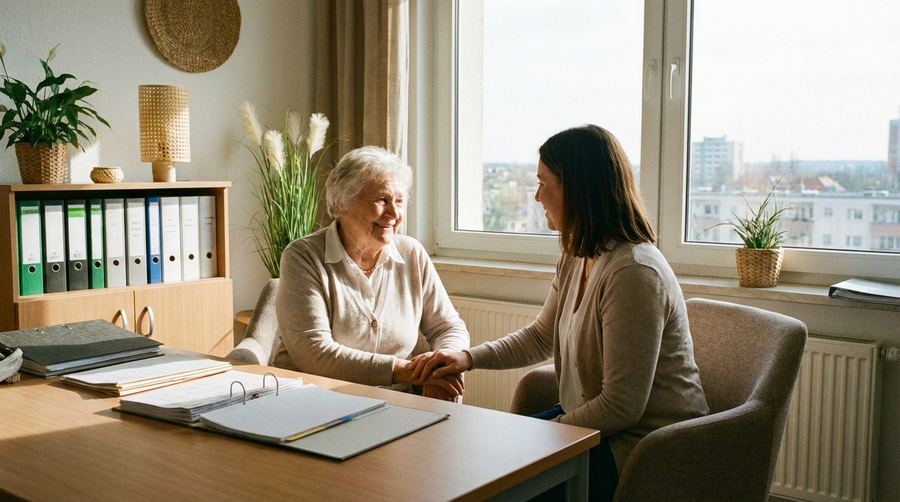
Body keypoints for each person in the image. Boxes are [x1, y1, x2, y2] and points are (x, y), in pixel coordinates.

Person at [412, 125, 709, 500]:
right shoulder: (578, 254)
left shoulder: (634, 272)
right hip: (591, 430)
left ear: (576, 189)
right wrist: (467, 357)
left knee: (489, 479)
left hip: (642, 448)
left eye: (543, 183)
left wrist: (544, 437)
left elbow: (622, 407)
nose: (536, 196)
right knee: (467, 463)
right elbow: (541, 336)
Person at [272, 145, 468, 401]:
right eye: (382, 200)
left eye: (399, 201)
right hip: (316, 400)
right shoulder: (303, 257)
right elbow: (314, 354)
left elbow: (448, 326)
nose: (395, 213)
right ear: (342, 202)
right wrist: (407, 371)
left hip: (396, 403)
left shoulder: (411, 254)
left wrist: (443, 364)